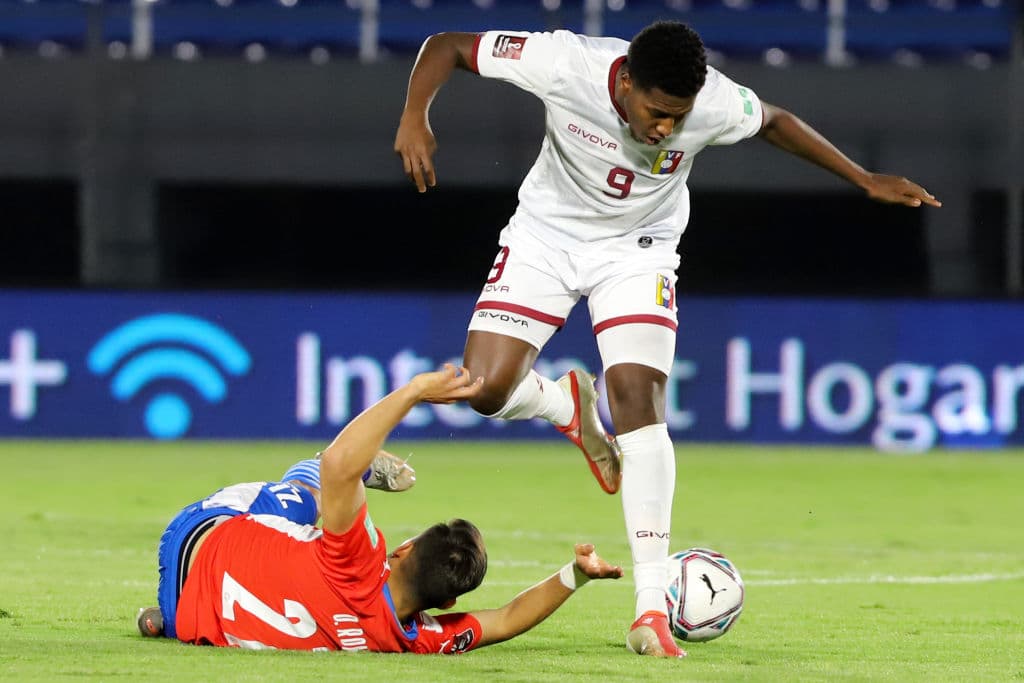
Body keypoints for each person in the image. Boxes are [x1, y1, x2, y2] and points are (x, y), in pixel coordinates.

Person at [393, 21, 941, 657]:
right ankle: (563, 404)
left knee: (637, 396)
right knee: (484, 390)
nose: (665, 130)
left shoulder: (708, 100)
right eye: (656, 113)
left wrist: (863, 177)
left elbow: (773, 119)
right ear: (624, 82)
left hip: (639, 252)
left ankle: (651, 607)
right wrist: (415, 115)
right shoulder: (565, 62)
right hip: (544, 240)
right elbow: (449, 46)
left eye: (677, 120)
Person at [137, 364, 623, 653]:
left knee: (305, 500)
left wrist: (414, 391)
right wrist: (575, 575)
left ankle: (331, 478)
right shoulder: (413, 641)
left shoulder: (357, 560)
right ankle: (160, 622)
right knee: (320, 515)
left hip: (195, 537)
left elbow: (337, 462)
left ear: (402, 548)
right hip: (184, 618)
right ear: (447, 604)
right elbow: (507, 618)